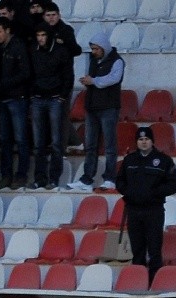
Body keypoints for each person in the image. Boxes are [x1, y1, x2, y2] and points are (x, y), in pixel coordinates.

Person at [116, 126, 176, 282]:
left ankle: (154, 282)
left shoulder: (164, 160)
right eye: (140, 139)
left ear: (152, 141)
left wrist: (155, 192)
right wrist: (129, 192)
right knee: (137, 250)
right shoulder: (129, 160)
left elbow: (174, 184)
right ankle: (139, 282)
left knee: (154, 250)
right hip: (134, 210)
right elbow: (119, 181)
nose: (144, 142)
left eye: (146, 139)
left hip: (154, 211)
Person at [67, 30, 123, 192]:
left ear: (104, 48)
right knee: (90, 146)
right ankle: (87, 179)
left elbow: (114, 79)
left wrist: (93, 81)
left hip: (108, 108)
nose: (94, 52)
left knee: (110, 146)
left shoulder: (117, 61)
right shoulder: (92, 60)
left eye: (96, 49)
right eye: (93, 49)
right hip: (92, 107)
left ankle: (110, 178)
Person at [27, 21, 71, 189]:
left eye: (43, 35)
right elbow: (29, 73)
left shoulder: (61, 51)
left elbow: (68, 75)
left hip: (54, 99)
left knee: (55, 143)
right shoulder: (33, 51)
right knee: (38, 143)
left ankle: (53, 179)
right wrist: (32, 95)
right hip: (38, 99)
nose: (40, 38)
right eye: (38, 35)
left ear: (49, 35)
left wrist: (62, 96)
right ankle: (40, 178)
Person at [0, 19, 30, 191]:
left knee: (21, 139)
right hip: (4, 99)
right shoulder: (0, 49)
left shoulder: (18, 46)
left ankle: (21, 176)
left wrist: (4, 84)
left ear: (7, 30)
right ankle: (6, 175)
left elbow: (25, 73)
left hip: (16, 98)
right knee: (5, 140)